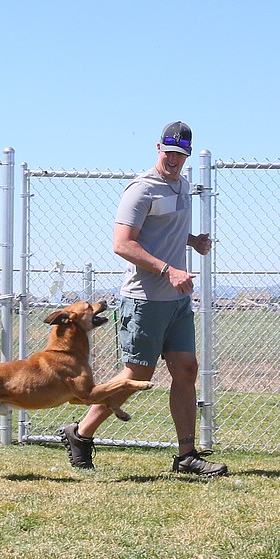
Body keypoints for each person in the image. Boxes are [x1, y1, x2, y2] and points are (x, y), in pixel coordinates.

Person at [59, 121, 227, 477]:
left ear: (188, 155)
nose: (174, 160)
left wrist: (192, 240)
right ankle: (80, 433)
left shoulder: (182, 186)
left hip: (177, 300)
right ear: (157, 148)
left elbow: (162, 232)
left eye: (181, 155)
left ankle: (186, 456)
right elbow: (123, 243)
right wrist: (169, 270)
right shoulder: (141, 189)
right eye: (169, 153)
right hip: (145, 299)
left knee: (186, 370)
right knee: (137, 375)